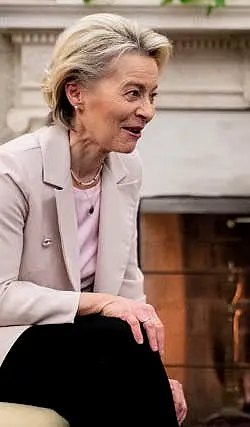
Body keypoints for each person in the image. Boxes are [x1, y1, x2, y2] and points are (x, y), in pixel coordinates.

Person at [0, 13, 188, 426]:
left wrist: (157, 377)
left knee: (121, 361)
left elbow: (127, 284)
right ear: (76, 93)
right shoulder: (12, 170)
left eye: (153, 95)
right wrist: (98, 303)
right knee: (113, 344)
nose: (148, 110)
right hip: (11, 345)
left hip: (92, 349)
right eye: (133, 93)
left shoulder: (126, 168)